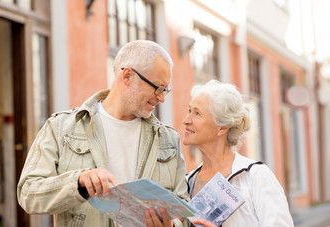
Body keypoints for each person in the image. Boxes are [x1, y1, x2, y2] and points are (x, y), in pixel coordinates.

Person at [17, 40, 189, 227]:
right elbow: (28, 193)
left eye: (166, 90)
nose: (162, 98)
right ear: (127, 76)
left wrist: (172, 225)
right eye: (158, 88)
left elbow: (185, 213)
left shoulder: (169, 140)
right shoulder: (61, 127)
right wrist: (78, 181)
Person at [183, 80, 294, 227]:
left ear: (222, 127)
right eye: (189, 110)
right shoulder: (188, 182)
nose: (186, 120)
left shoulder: (256, 177)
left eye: (197, 114)